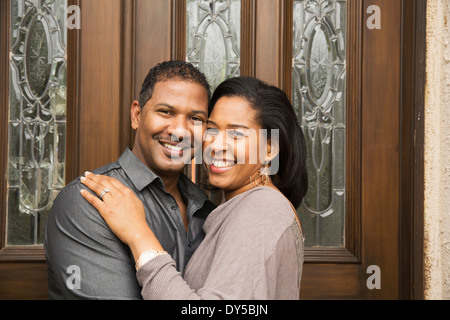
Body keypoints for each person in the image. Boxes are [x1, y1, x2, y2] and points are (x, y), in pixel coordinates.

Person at [80, 76, 308, 300]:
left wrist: (138, 234)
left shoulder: (262, 209)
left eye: (236, 134)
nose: (216, 146)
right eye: (212, 130)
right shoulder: (245, 207)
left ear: (270, 149)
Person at [44, 61, 216, 299]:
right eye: (166, 112)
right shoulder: (87, 201)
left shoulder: (208, 210)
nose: (180, 131)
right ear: (137, 115)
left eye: (196, 118)